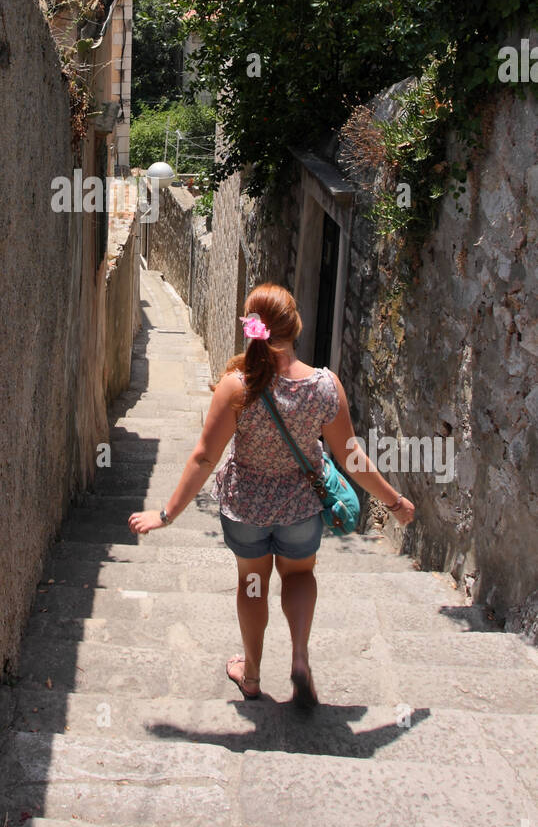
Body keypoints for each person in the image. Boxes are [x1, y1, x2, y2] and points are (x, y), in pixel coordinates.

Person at [127, 282, 415, 709]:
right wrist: (394, 502)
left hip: (246, 509)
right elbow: (351, 457)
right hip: (301, 509)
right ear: (295, 327)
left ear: (252, 329)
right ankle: (299, 658)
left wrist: (166, 515)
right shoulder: (323, 386)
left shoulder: (236, 387)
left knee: (254, 582)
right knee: (299, 577)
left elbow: (205, 457)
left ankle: (253, 674)